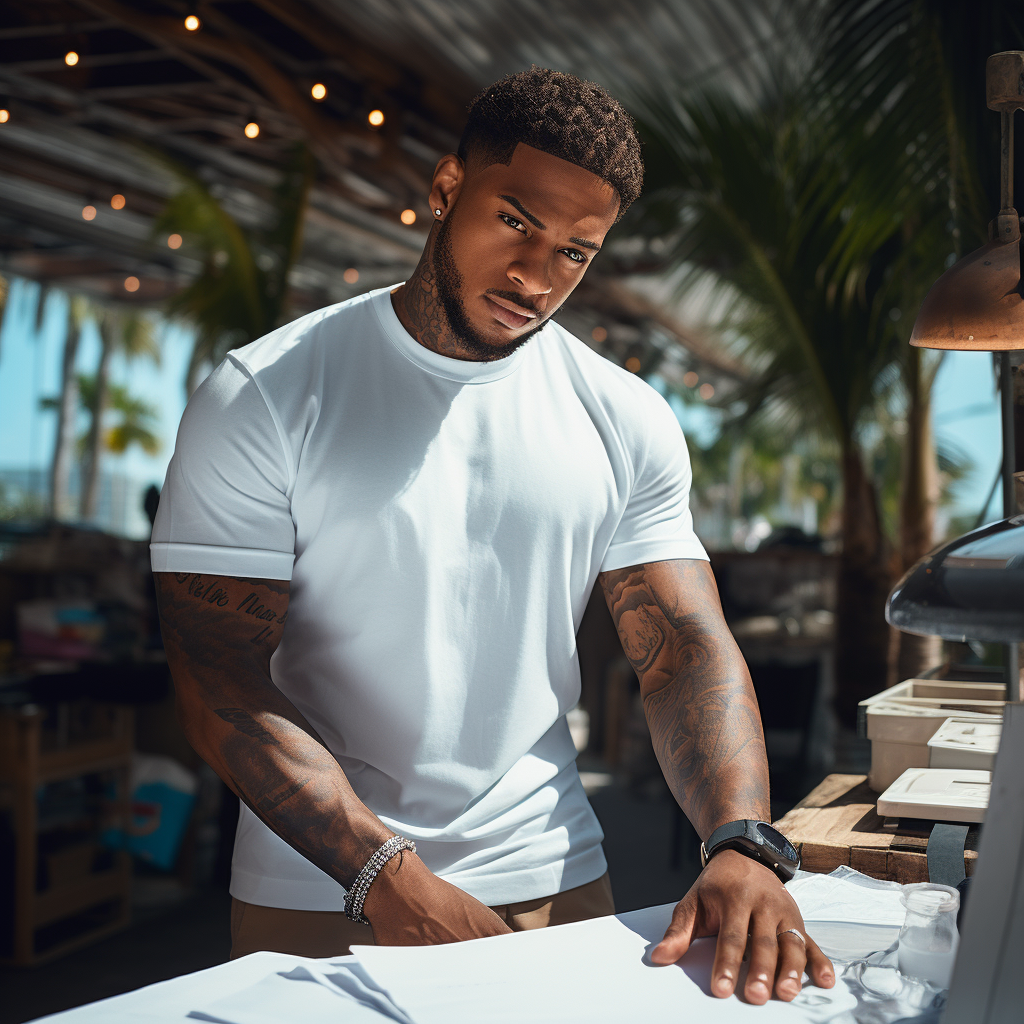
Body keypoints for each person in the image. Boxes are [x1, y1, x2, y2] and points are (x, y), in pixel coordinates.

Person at [152, 67, 834, 1005]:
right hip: (322, 890)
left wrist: (743, 839)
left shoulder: (623, 417)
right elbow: (219, 681)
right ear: (444, 191)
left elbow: (683, 647)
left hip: (555, 882)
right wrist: (388, 880)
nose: (536, 276)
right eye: (515, 221)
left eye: (575, 253)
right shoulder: (267, 395)